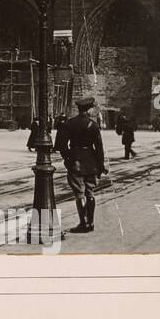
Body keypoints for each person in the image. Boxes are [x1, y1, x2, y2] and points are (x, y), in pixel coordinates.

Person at [55, 95, 106, 233]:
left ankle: (83, 223)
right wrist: (100, 165)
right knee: (90, 192)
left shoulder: (69, 124)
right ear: (88, 109)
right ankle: (91, 223)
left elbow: (61, 145)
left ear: (78, 109)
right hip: (91, 162)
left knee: (79, 193)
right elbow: (99, 148)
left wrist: (68, 159)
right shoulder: (93, 125)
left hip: (75, 160)